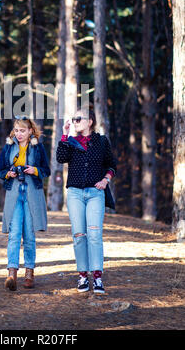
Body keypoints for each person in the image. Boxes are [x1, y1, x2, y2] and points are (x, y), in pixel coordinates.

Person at [56, 108, 116, 294]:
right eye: (73, 119)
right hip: (74, 193)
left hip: (95, 193)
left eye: (78, 119)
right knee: (79, 235)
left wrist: (105, 180)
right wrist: (65, 135)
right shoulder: (71, 142)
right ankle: (83, 276)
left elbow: (112, 165)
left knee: (95, 234)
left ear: (90, 121)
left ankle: (97, 277)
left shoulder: (101, 141)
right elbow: (60, 158)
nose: (75, 121)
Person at [0, 117, 50, 291]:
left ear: (30, 132)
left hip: (32, 194)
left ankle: (29, 272)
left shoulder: (38, 147)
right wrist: (8, 174)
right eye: (17, 131)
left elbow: (46, 170)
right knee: (14, 234)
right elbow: (0, 171)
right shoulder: (9, 147)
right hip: (14, 193)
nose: (19, 134)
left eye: (22, 131)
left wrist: (34, 170)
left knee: (29, 234)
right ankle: (11, 273)